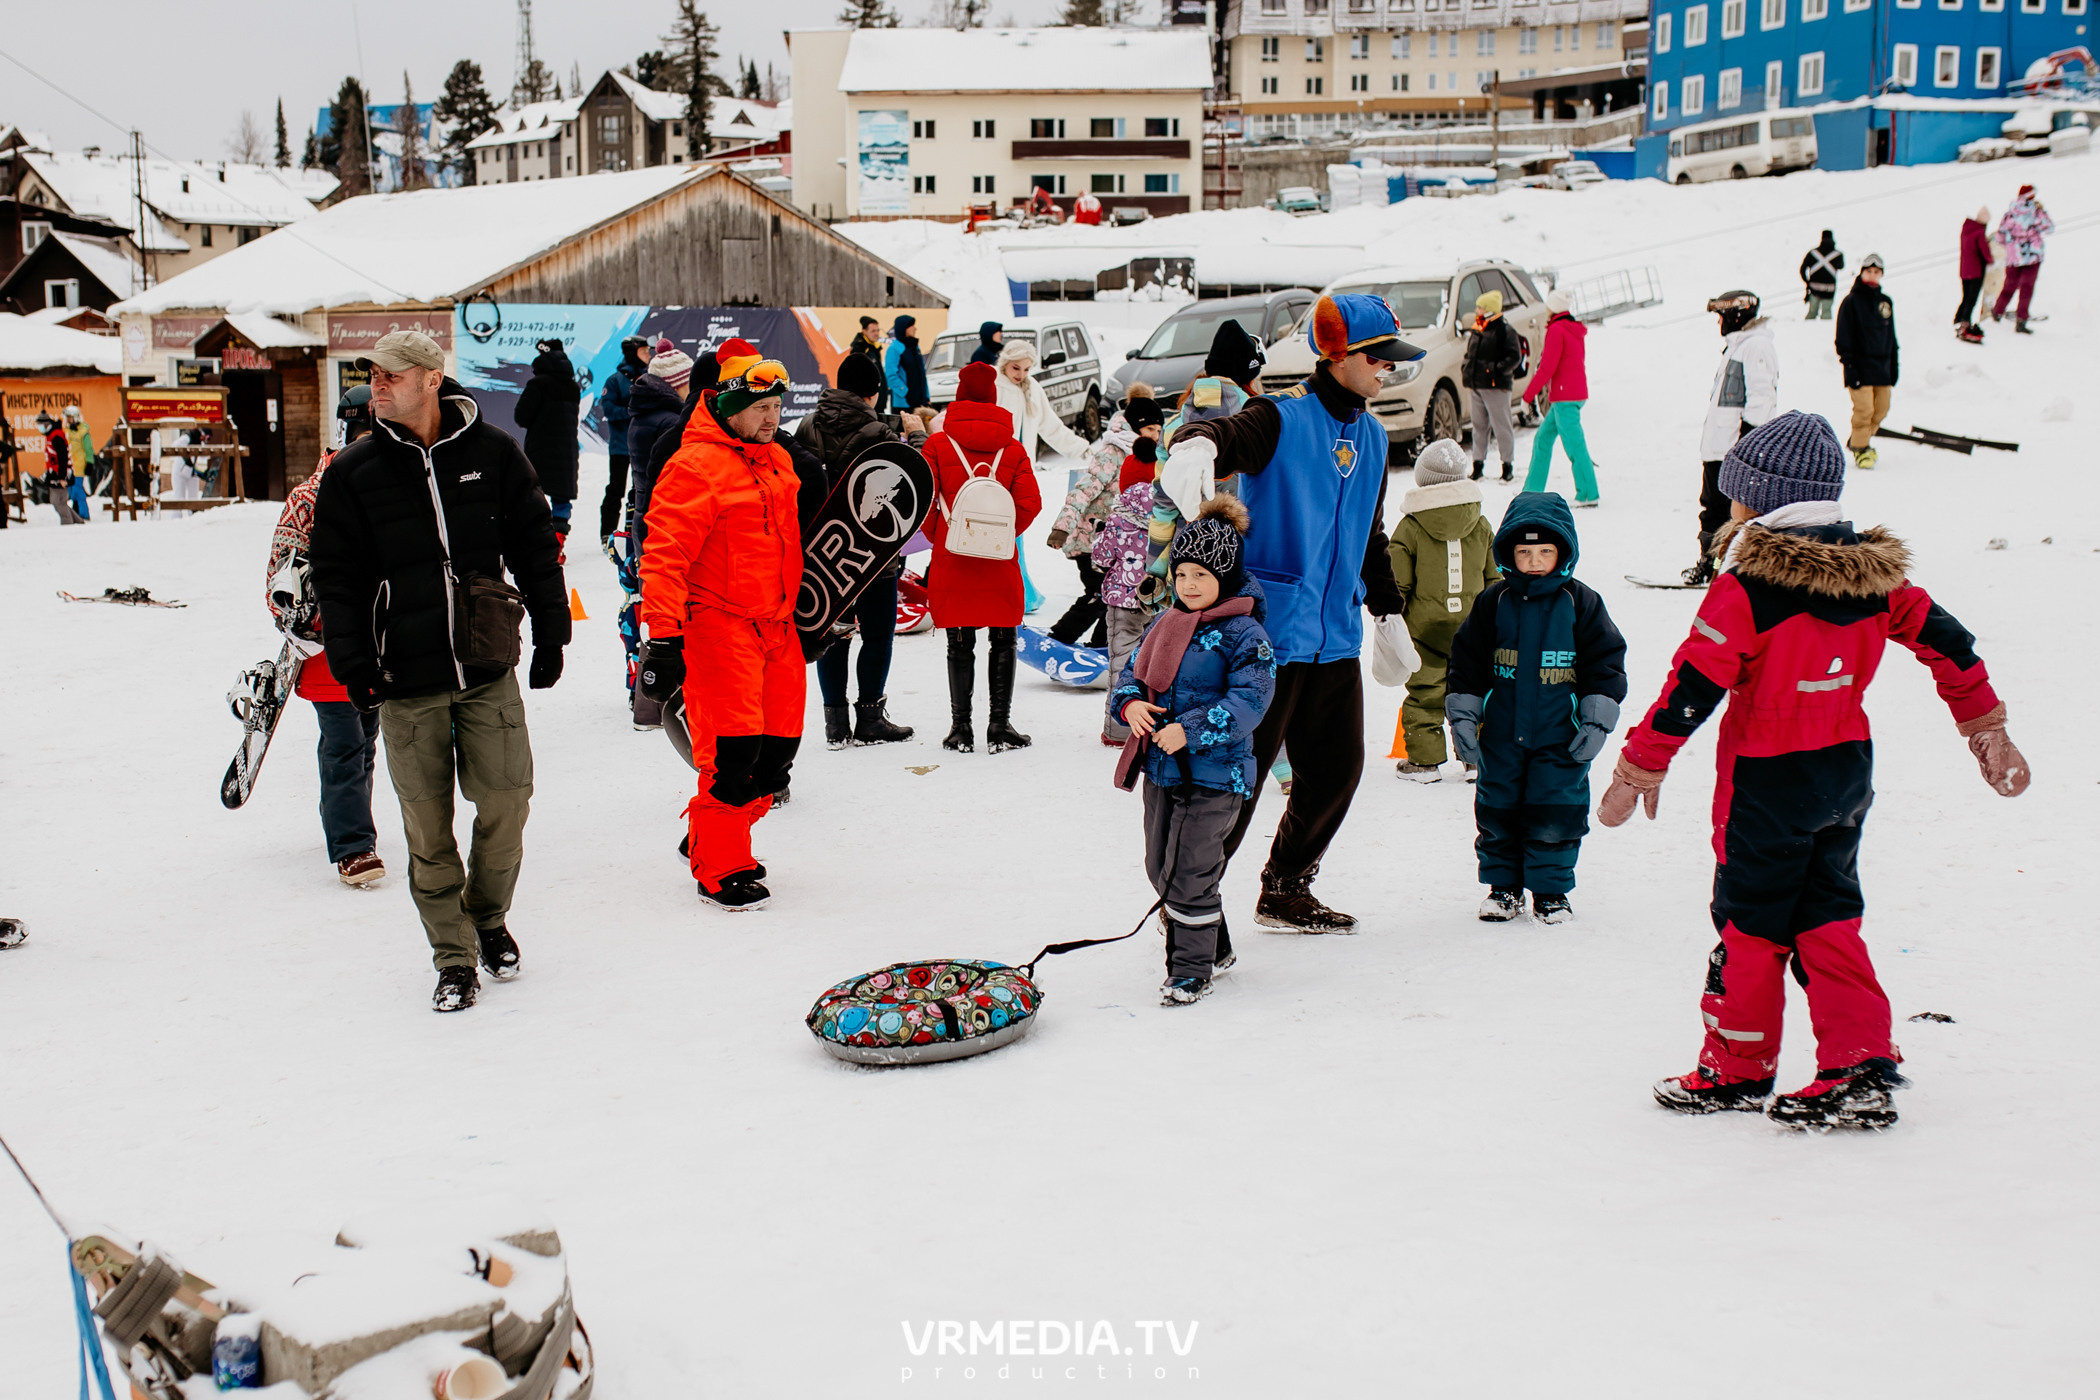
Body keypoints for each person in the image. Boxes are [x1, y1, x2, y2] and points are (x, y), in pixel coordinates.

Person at [1610, 411, 2030, 1130]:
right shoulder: (1878, 581)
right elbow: (1950, 643)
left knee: (1751, 924)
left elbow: (1692, 687)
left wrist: (1641, 765)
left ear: (1760, 502)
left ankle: (1736, 1068)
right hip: (1843, 773)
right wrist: (1984, 724)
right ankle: (1858, 1061)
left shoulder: (1745, 591)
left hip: (1765, 782)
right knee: (1829, 913)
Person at [309, 331, 569, 1013]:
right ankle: (453, 956)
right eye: (374, 375)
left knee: (508, 800)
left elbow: (535, 543)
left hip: (485, 661)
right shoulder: (351, 472)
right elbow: (335, 580)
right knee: (428, 828)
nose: (379, 386)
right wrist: (353, 664)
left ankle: (486, 916)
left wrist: (551, 630)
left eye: (392, 375)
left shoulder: (492, 453)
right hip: (403, 679)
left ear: (431, 379)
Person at [1159, 293, 1418, 933]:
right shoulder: (1279, 417)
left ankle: (1285, 886)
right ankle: (1191, 904)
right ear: (1339, 356)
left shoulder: (1376, 437)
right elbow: (1223, 432)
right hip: (1265, 642)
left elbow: (1371, 533)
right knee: (1237, 782)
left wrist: (1387, 612)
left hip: (1334, 638)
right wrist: (1195, 445)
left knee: (1336, 773)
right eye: (1379, 358)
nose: (1388, 369)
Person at [634, 341, 803, 910]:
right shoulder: (694, 464)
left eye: (778, 408)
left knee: (777, 757)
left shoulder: (777, 458)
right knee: (732, 757)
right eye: (761, 409)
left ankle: (712, 832)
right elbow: (662, 555)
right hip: (719, 629)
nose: (772, 419)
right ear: (729, 406)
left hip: (779, 628)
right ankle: (719, 864)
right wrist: (662, 638)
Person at [1110, 496, 1277, 1006]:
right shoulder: (1167, 623)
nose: (1188, 585)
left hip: (1215, 775)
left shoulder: (1245, 633)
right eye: (1181, 574)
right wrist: (1130, 705)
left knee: (1189, 875)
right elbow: (1129, 675)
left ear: (1224, 577)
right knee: (1160, 868)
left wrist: (1193, 729)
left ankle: (1189, 970)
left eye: (1201, 575)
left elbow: (1252, 698)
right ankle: (1216, 945)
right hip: (1163, 770)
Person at [1447, 492, 1627, 924]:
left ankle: (1550, 891)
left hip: (1559, 736)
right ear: (1508, 552)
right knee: (1498, 808)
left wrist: (1596, 721)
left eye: (1544, 551)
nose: (1533, 560)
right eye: (1524, 551)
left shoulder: (1581, 603)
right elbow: (1467, 662)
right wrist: (1465, 718)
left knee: (1556, 810)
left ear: (1563, 552)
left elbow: (1605, 662)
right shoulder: (1493, 602)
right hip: (1502, 734)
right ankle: (1503, 889)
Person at [267, 387, 385, 887]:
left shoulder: (391, 487)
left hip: (382, 642)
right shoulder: (311, 496)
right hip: (330, 644)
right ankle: (354, 846)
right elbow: (281, 577)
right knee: (343, 741)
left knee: (365, 742)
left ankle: (348, 825)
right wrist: (305, 621)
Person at [801, 349, 924, 747]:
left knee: (831, 630)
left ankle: (835, 723)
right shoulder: (879, 434)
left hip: (823, 554)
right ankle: (870, 719)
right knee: (877, 635)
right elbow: (913, 486)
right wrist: (918, 436)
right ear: (873, 394)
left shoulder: (805, 426)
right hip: (874, 557)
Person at [925, 361, 1041, 754]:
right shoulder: (1013, 447)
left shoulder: (938, 445)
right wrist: (998, 534)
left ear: (958, 398)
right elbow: (1030, 503)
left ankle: (961, 729)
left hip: (952, 557)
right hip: (998, 559)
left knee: (959, 642)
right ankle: (999, 725)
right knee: (1003, 639)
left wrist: (946, 536)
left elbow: (923, 503)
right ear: (993, 399)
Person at [1384, 439, 1499, 782]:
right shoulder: (1480, 523)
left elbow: (1398, 582)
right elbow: (1494, 576)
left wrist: (1394, 614)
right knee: (1472, 690)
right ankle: (1475, 760)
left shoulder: (1412, 526)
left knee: (1425, 692)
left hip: (1425, 629)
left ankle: (1424, 762)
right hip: (1473, 626)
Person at [1046, 394, 1161, 649]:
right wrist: (1061, 528)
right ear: (1135, 425)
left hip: (1120, 544)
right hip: (1090, 539)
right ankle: (1059, 638)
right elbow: (1083, 490)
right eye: (1150, 428)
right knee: (1099, 594)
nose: (1155, 434)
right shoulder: (1112, 453)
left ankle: (1101, 646)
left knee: (1115, 596)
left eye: (1158, 430)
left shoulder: (1151, 456)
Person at [1686, 290, 1778, 586]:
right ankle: (1712, 565)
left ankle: (1731, 570)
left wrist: (1747, 447)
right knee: (1713, 508)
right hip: (1719, 447)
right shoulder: (1738, 346)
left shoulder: (1755, 346)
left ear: (1737, 316)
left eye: (1722, 317)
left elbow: (1761, 398)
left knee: (1733, 513)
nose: (1720, 324)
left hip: (1733, 450)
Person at [1093, 471, 1157, 745]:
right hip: (1156, 601)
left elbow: (1101, 557)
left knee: (1120, 664)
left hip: (1122, 602)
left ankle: (1118, 731)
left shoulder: (1118, 521)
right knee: (1153, 665)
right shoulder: (1165, 523)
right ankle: (1152, 723)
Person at [1518, 289, 1595, 505]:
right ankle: (1531, 491)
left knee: (1575, 446)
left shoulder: (1557, 330)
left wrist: (1527, 397)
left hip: (1565, 398)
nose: (1547, 308)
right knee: (1542, 439)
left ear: (1554, 307)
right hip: (1572, 394)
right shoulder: (1572, 329)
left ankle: (1588, 494)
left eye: (1549, 305)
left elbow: (1546, 368)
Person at [512, 338, 581, 544]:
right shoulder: (573, 386)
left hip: (540, 448)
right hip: (566, 448)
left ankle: (541, 542)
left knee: (535, 494)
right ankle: (558, 539)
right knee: (561, 496)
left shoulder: (537, 384)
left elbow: (521, 417)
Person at [1834, 253, 1897, 472]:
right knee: (1864, 410)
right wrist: (1849, 366)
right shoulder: (1851, 302)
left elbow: (1891, 338)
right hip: (1859, 368)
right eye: (1869, 271)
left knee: (1881, 409)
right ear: (1862, 273)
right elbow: (1842, 338)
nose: (1872, 276)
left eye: (1877, 272)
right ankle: (1861, 448)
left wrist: (1894, 367)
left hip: (1882, 369)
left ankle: (1857, 439)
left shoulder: (1885, 302)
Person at [1460, 290, 1522, 482]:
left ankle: (1507, 465)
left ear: (1489, 310)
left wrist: (1494, 370)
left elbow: (1514, 357)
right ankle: (1478, 464)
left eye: (1480, 307)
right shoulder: (1478, 327)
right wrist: (1466, 366)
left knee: (1502, 425)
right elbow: (1471, 353)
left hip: (1496, 386)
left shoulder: (1505, 330)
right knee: (1479, 426)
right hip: (1476, 384)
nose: (1476, 310)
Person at [597, 335, 649, 547]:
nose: (648, 355)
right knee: (616, 490)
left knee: (641, 490)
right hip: (620, 446)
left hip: (643, 445)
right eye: (644, 351)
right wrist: (633, 409)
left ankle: (635, 533)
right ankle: (606, 534)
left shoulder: (649, 378)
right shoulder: (615, 380)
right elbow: (609, 410)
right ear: (632, 352)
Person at [1991, 184, 2052, 333]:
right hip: (2033, 255)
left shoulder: (2010, 213)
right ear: (2031, 196)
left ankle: (1998, 311)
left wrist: (2012, 243)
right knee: (2027, 287)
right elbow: (2049, 228)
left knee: (2010, 285)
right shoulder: (2036, 212)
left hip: (2014, 255)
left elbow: (2000, 236)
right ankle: (2021, 319)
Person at [1955, 208, 1992, 345]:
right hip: (1976, 271)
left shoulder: (1967, 228)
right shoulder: (1979, 232)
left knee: (1965, 297)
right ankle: (1965, 323)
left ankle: (1958, 319)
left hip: (1964, 270)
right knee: (1972, 299)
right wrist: (1990, 260)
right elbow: (1985, 252)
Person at [884, 315, 931, 416]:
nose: (915, 328)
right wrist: (906, 393)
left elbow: (921, 373)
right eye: (912, 326)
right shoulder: (894, 349)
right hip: (903, 405)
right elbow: (891, 376)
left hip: (920, 403)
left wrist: (926, 397)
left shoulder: (915, 346)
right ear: (904, 328)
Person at [38, 413, 80, 525]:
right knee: (59, 501)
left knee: (58, 502)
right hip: (55, 473)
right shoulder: (52, 435)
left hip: (60, 474)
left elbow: (63, 458)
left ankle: (68, 525)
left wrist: (62, 477)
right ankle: (78, 522)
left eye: (41, 425)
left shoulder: (56, 436)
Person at [1799, 230, 1842, 319]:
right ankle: (1825, 332)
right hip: (1829, 289)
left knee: (1812, 313)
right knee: (1826, 313)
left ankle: (1805, 330)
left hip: (1814, 288)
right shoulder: (1838, 254)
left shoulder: (1812, 253)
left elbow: (1802, 269)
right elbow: (1841, 266)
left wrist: (1808, 282)